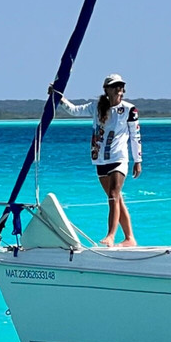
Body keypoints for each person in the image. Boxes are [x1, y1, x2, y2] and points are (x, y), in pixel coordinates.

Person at [53, 73, 142, 247]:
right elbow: (74, 111)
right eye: (114, 86)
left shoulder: (129, 110)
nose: (118, 89)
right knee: (116, 199)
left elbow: (135, 136)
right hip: (100, 159)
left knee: (113, 195)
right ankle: (130, 238)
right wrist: (59, 98)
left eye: (120, 86)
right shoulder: (96, 107)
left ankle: (111, 235)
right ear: (106, 89)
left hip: (119, 158)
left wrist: (138, 160)